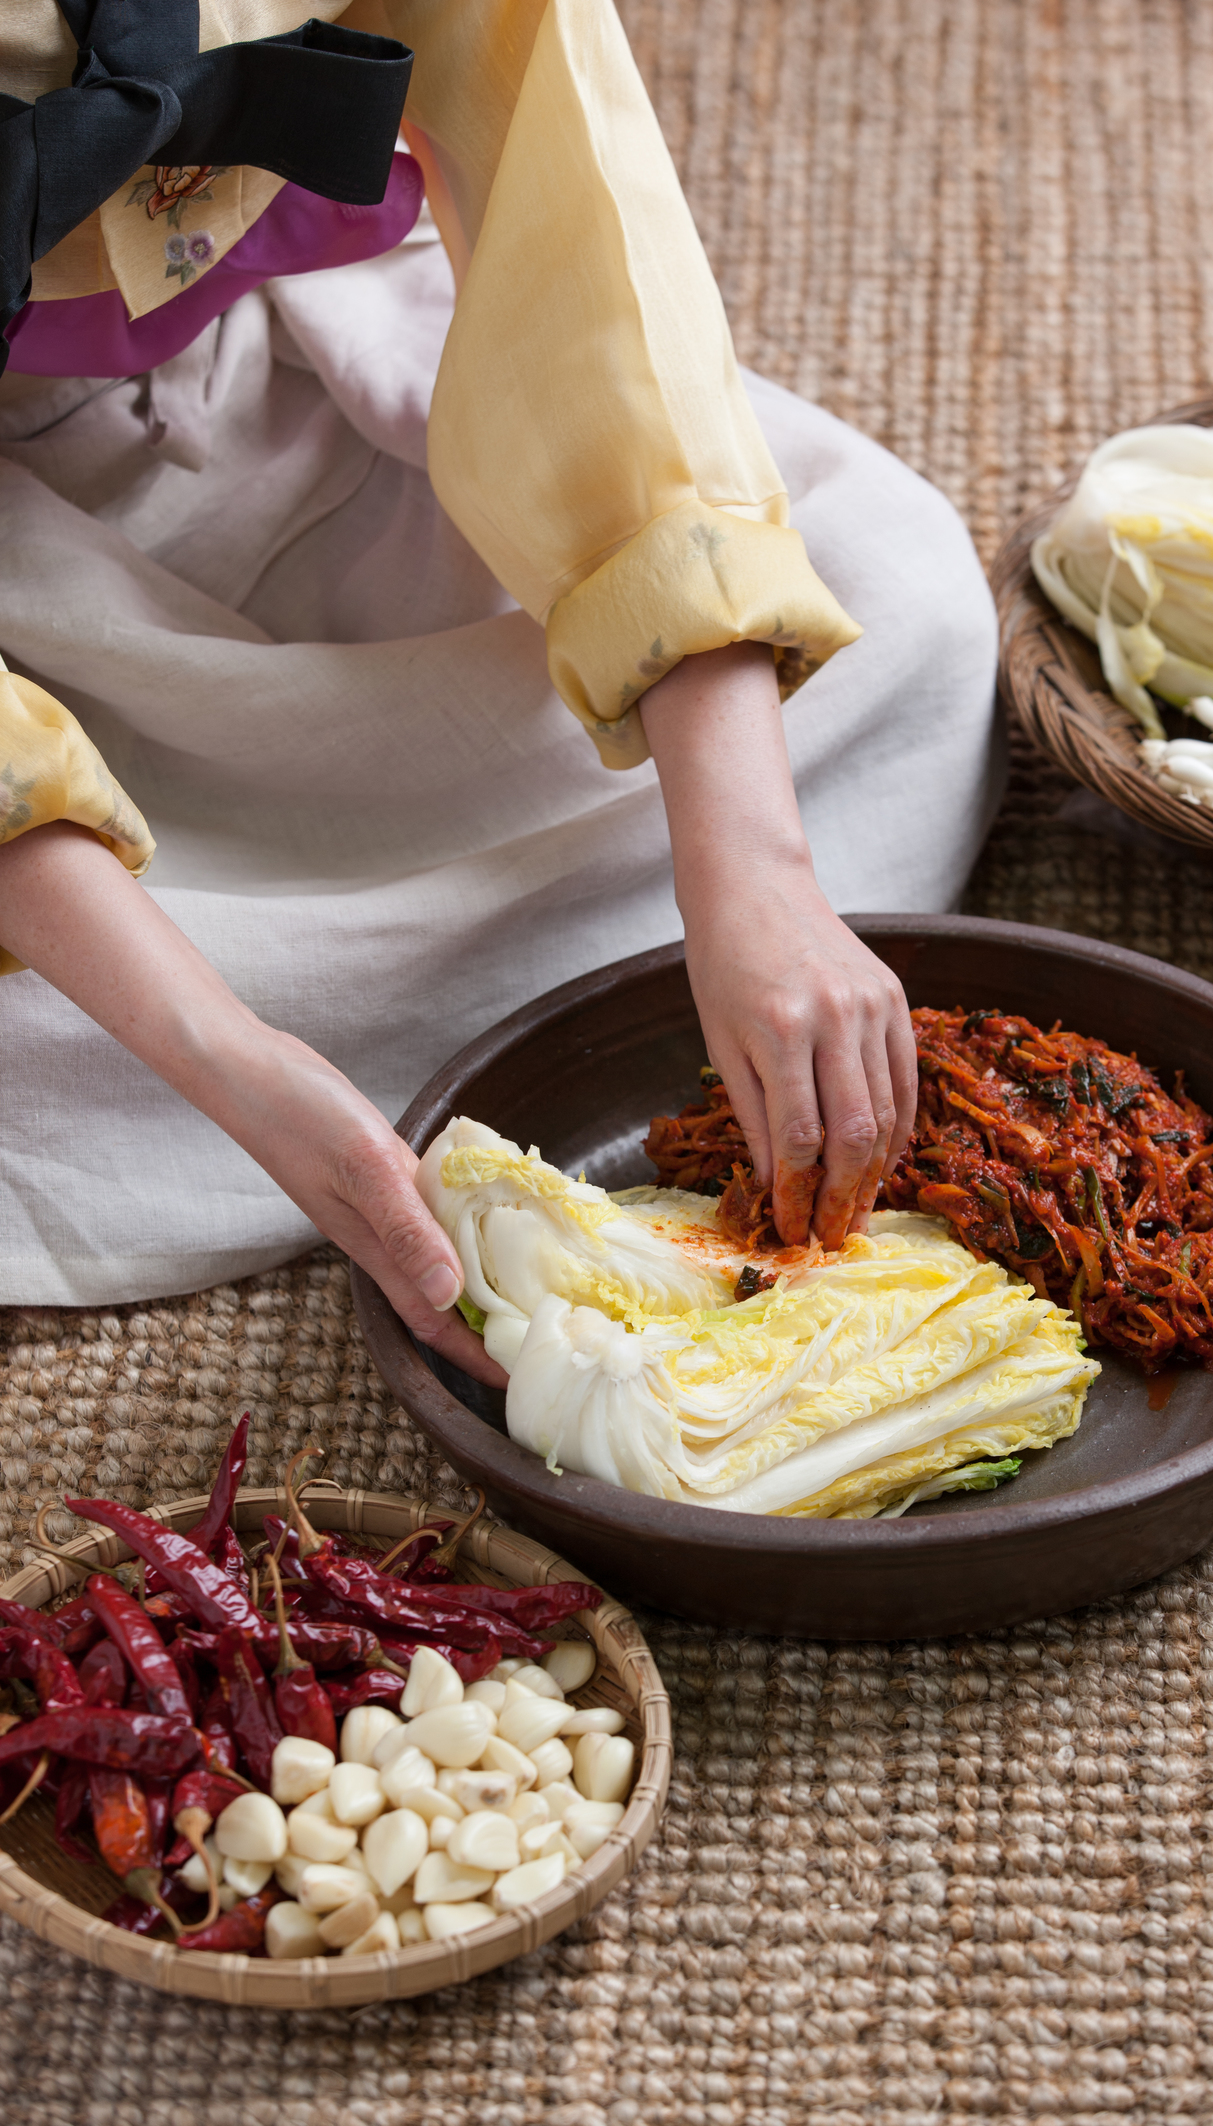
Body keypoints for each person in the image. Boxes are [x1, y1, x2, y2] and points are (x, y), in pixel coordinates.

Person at [0, 0, 1001, 1388]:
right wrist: (222, 1049)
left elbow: (559, 169)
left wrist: (751, 869)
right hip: (27, 562)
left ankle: (445, 1009)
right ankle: (285, 1080)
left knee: (901, 596)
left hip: (291, 352)